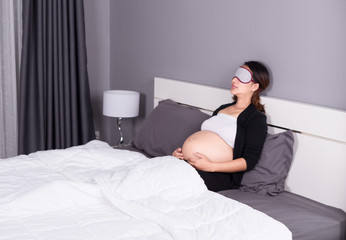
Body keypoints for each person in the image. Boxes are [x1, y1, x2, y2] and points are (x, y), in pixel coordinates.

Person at [172, 61, 270, 192]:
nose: (235, 79)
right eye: (236, 75)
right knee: (163, 173)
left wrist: (211, 166)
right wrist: (180, 155)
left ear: (255, 86)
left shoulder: (256, 118)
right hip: (190, 164)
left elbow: (249, 161)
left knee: (172, 185)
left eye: (243, 76)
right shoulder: (222, 109)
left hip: (215, 174)